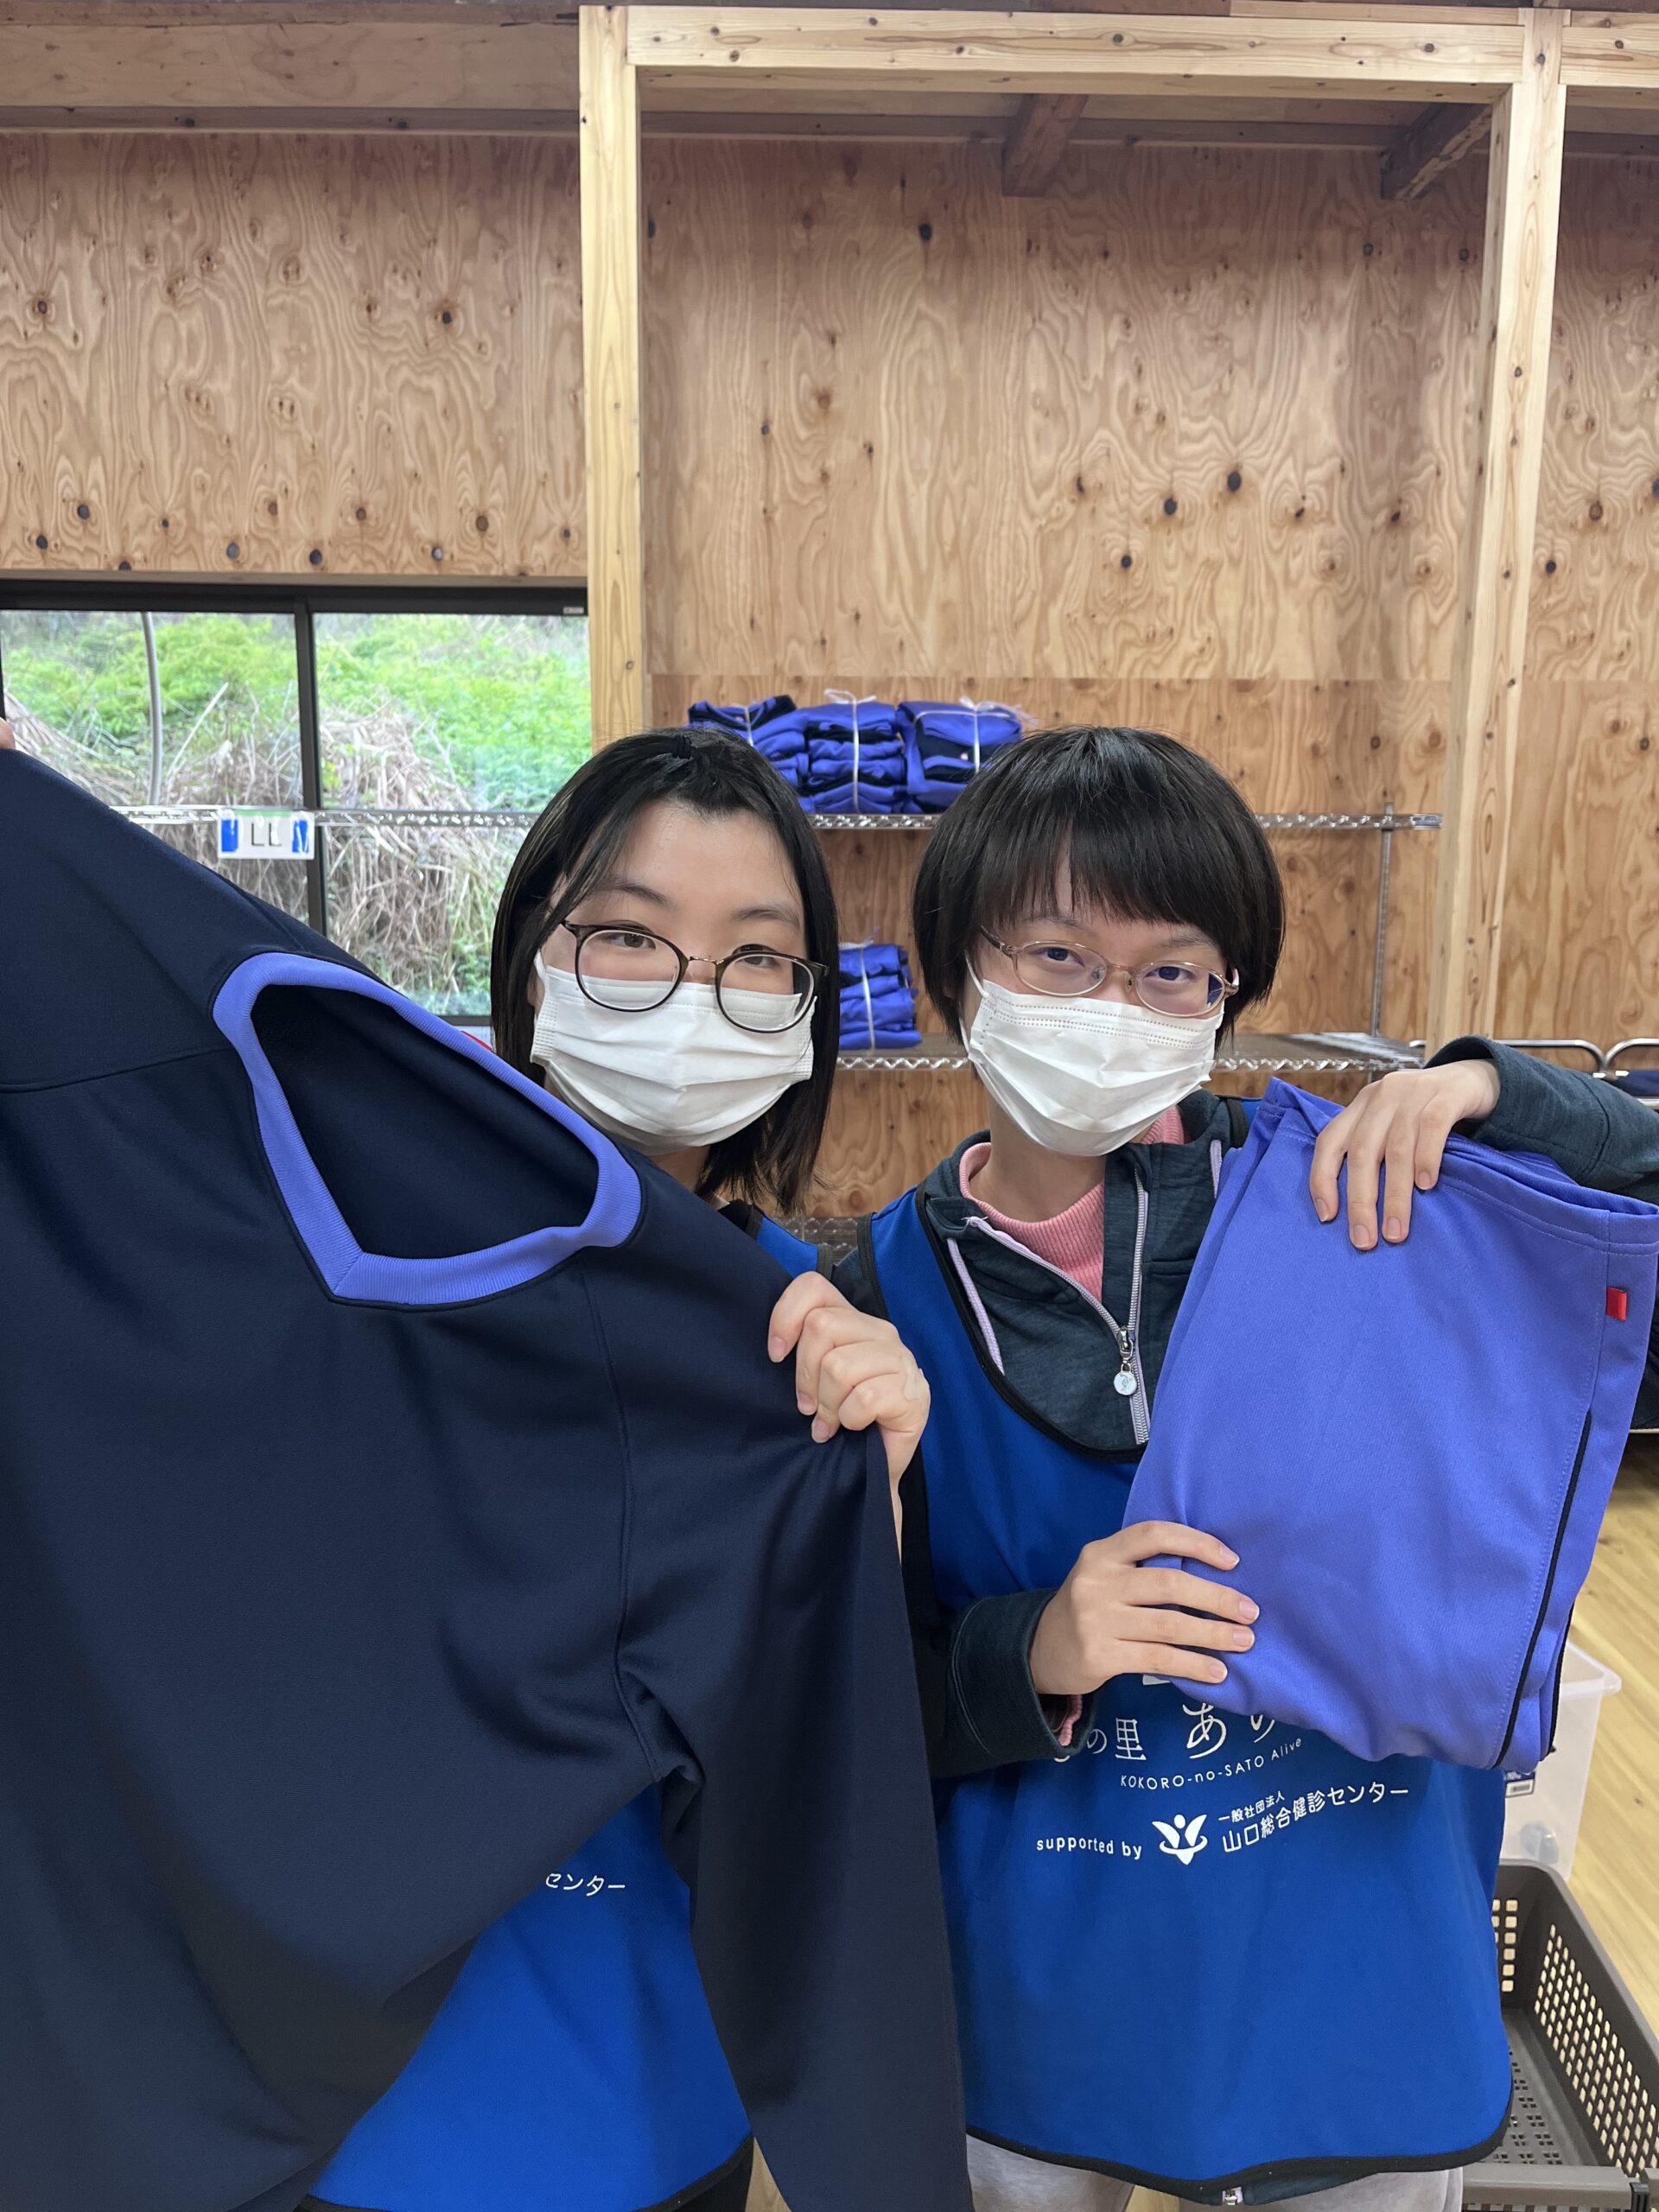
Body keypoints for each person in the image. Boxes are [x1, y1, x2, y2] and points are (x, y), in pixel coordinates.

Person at [834, 724, 1659, 2212]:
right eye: (1059, 955)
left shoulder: (1365, 1204)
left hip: (1355, 1965)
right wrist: (1037, 1648)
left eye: (1173, 971)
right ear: (959, 969)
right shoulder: (870, 1301)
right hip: (1046, 1990)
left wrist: (1502, 1098)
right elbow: (854, 1700)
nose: (1113, 1005)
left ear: (1227, 996)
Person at [293, 727, 928, 2212]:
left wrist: (873, 1503)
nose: (692, 992)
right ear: (535, 959)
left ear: (807, 1012)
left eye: (757, 956)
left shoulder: (810, 1336)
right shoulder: (358, 1262)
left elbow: (832, 1757)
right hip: (345, 2091)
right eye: (631, 935)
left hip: (651, 2097)